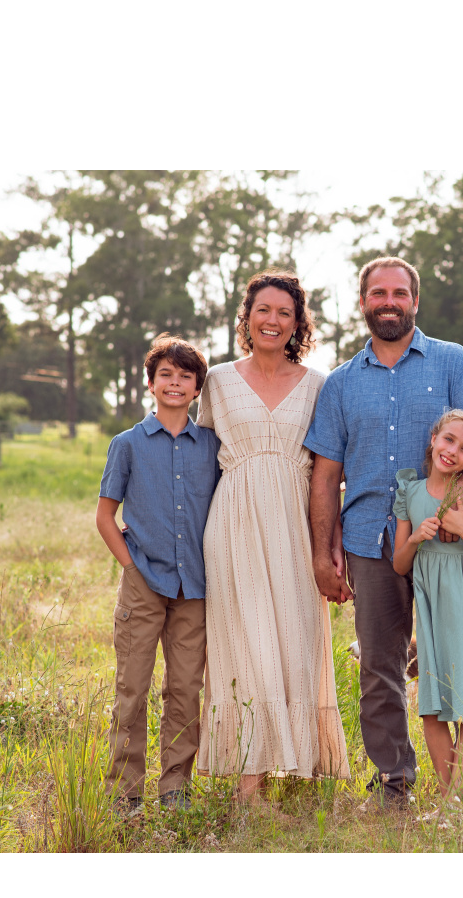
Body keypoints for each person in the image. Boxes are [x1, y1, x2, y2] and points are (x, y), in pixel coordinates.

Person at [305, 256, 463, 812]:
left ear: (414, 301)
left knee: (462, 662)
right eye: (377, 293)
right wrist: (324, 552)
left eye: (398, 292)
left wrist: (461, 520)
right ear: (363, 301)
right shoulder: (341, 383)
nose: (387, 301)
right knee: (379, 668)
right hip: (371, 541)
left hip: (448, 545)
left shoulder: (452, 362)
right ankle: (394, 782)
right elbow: (325, 474)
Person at [196, 269, 349, 808]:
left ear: (297, 323)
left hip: (295, 521)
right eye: (264, 309)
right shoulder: (216, 381)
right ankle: (248, 779)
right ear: (247, 316)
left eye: (285, 313)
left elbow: (331, 471)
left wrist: (330, 548)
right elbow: (197, 461)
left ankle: (300, 761)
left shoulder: (319, 384)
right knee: (243, 640)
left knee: (298, 636)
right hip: (233, 520)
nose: (273, 320)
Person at [96, 334, 221, 815]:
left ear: (196, 389)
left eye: (185, 377)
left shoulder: (210, 444)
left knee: (185, 688)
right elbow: (106, 515)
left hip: (195, 587)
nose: (174, 383)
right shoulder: (126, 445)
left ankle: (175, 790)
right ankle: (124, 793)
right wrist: (132, 567)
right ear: (150, 383)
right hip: (143, 583)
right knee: (132, 687)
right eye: (165, 375)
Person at [391, 410, 463, 803]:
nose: (452, 451)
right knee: (432, 706)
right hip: (433, 608)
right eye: (448, 440)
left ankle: (449, 807)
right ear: (433, 439)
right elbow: (399, 564)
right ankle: (448, 794)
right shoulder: (411, 492)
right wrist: (413, 540)